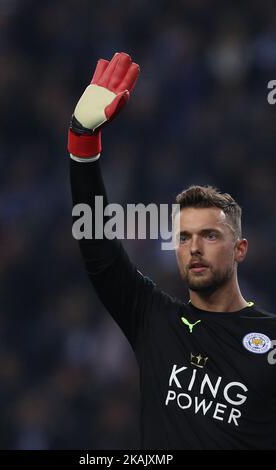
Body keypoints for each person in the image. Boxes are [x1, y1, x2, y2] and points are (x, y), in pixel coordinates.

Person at [67, 52, 276, 450]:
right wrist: (82, 144)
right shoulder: (153, 320)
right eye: (184, 237)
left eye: (210, 236)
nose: (194, 247)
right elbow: (98, 249)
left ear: (240, 249)